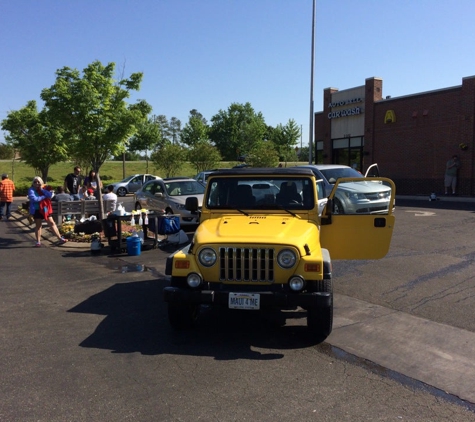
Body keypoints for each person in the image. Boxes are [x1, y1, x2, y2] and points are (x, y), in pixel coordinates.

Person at [28, 177, 67, 247]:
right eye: (35, 182)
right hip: (37, 209)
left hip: (45, 208)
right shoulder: (31, 190)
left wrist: (42, 190)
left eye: (38, 182)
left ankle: (60, 238)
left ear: (41, 182)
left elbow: (49, 195)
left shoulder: (44, 188)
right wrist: (43, 196)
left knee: (52, 223)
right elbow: (34, 199)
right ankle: (38, 241)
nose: (37, 183)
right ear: (33, 183)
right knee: (38, 225)